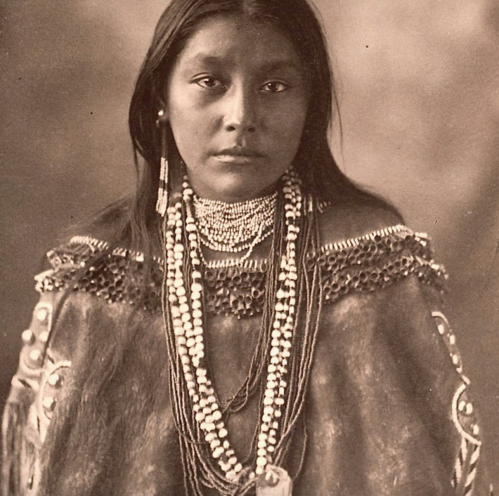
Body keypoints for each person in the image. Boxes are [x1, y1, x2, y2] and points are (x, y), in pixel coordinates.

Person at [1, 0, 493, 495]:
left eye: (274, 87)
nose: (242, 117)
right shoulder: (94, 278)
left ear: (309, 106)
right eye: (210, 82)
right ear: (161, 100)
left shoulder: (376, 264)